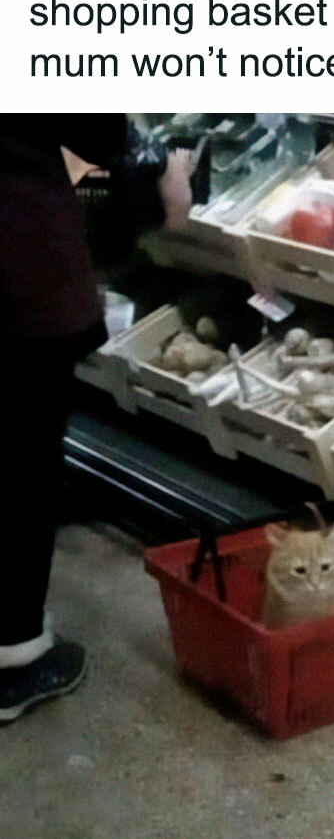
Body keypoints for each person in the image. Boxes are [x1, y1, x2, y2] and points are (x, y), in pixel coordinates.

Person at [0, 115, 194, 722]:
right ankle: (14, 659)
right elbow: (87, 128)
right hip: (12, 257)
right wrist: (160, 161)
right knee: (20, 460)